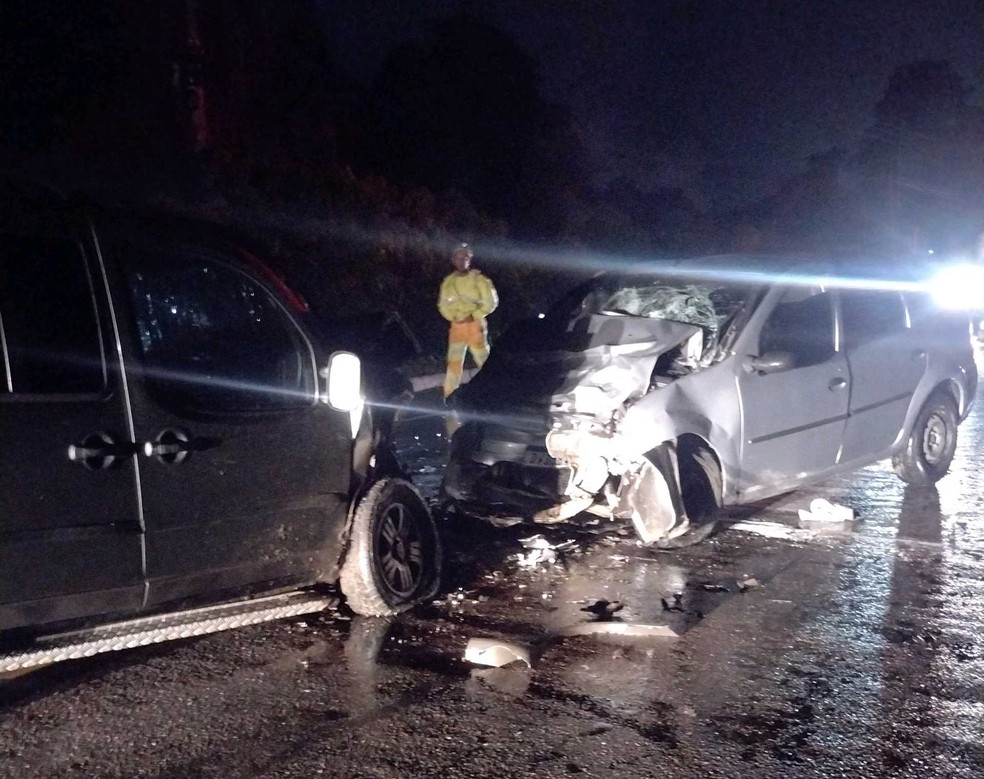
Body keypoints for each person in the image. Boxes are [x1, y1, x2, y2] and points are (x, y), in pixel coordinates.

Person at [438, 242, 498, 399]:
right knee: (454, 362)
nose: (461, 260)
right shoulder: (448, 282)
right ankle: (449, 395)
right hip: (457, 326)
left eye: (464, 257)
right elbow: (443, 305)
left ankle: (494, 391)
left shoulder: (479, 279)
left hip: (475, 325)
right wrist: (454, 318)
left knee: (484, 360)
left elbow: (490, 302)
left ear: (469, 259)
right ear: (453, 260)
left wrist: (474, 315)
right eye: (458, 257)